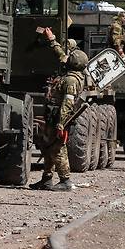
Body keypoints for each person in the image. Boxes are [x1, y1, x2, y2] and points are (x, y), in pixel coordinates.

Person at [30, 39, 88, 192]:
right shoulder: (74, 76)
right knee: (48, 146)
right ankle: (47, 179)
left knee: (57, 148)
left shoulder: (70, 80)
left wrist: (61, 123)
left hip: (58, 118)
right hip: (53, 116)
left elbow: (67, 103)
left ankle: (65, 180)